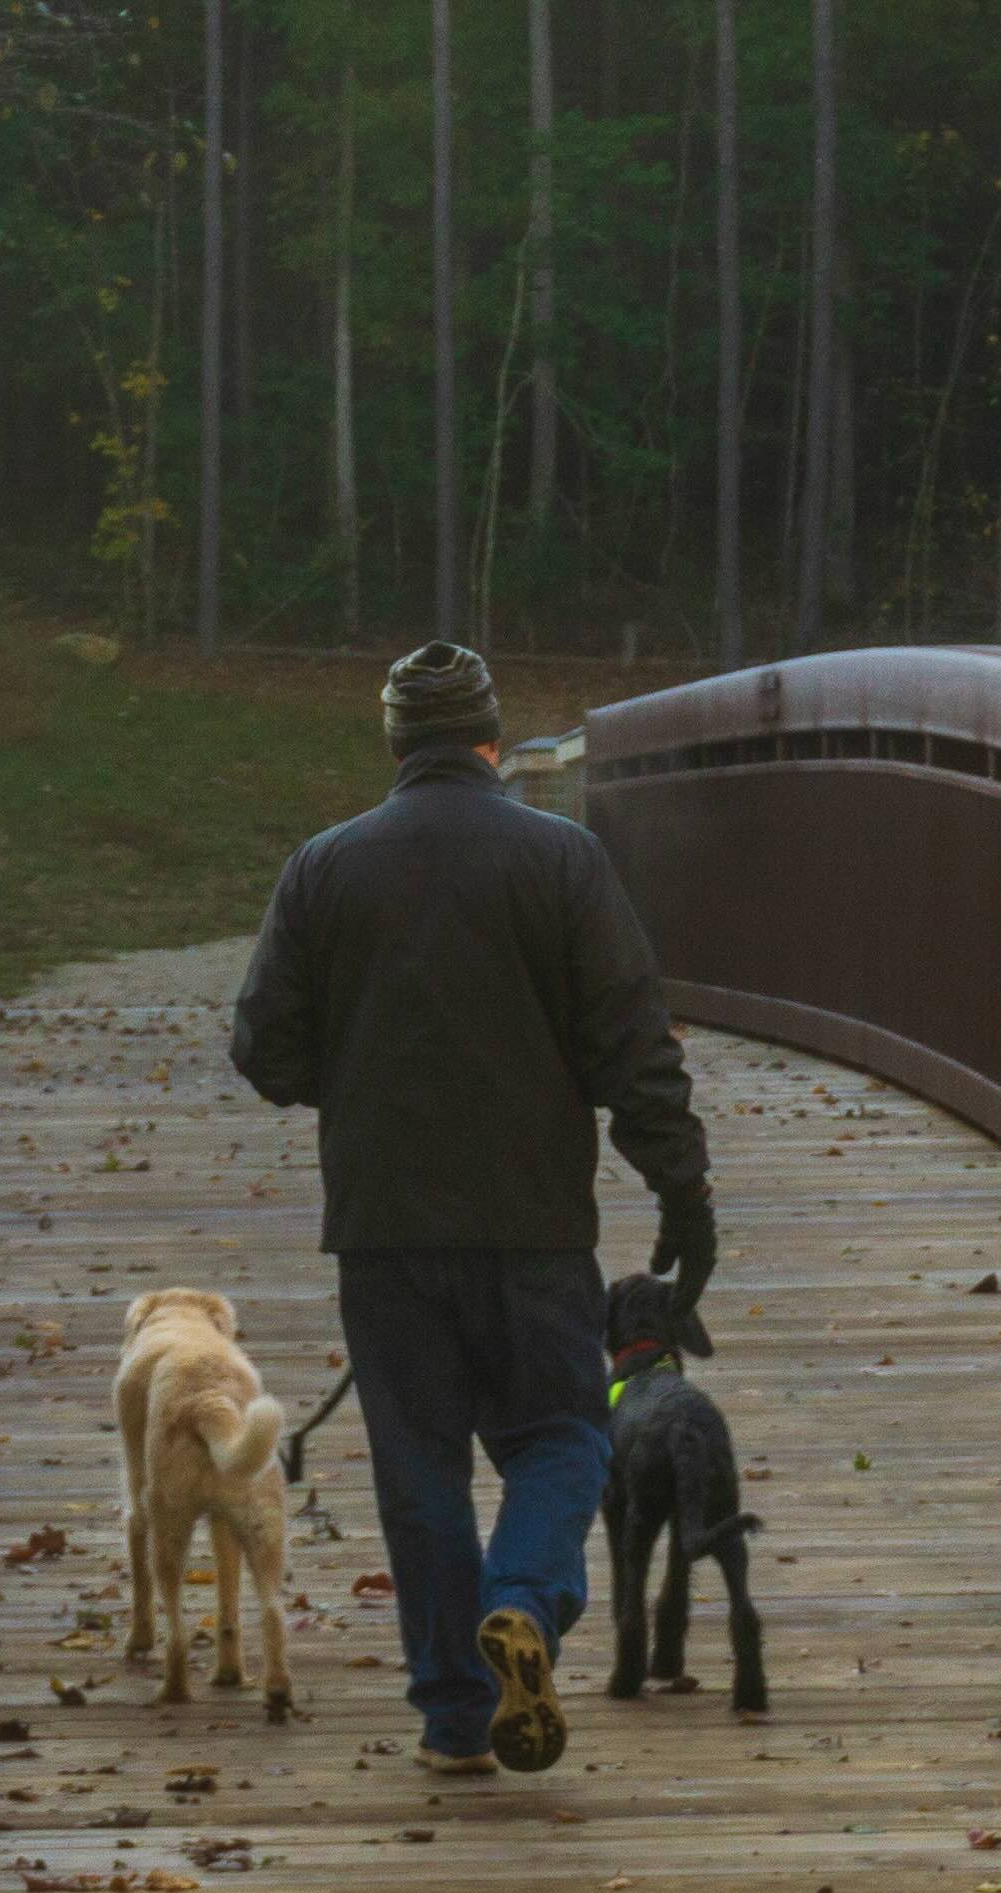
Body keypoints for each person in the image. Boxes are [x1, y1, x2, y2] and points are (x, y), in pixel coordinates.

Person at [228, 640, 720, 1776]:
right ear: (493, 742)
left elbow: (263, 1046)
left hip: (384, 1232)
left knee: (419, 1468)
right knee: (561, 1437)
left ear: (396, 743)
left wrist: (347, 1077)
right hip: (535, 1227)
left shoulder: (323, 867)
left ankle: (455, 1717)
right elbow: (630, 1048)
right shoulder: (564, 862)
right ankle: (527, 1609)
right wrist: (681, 1190)